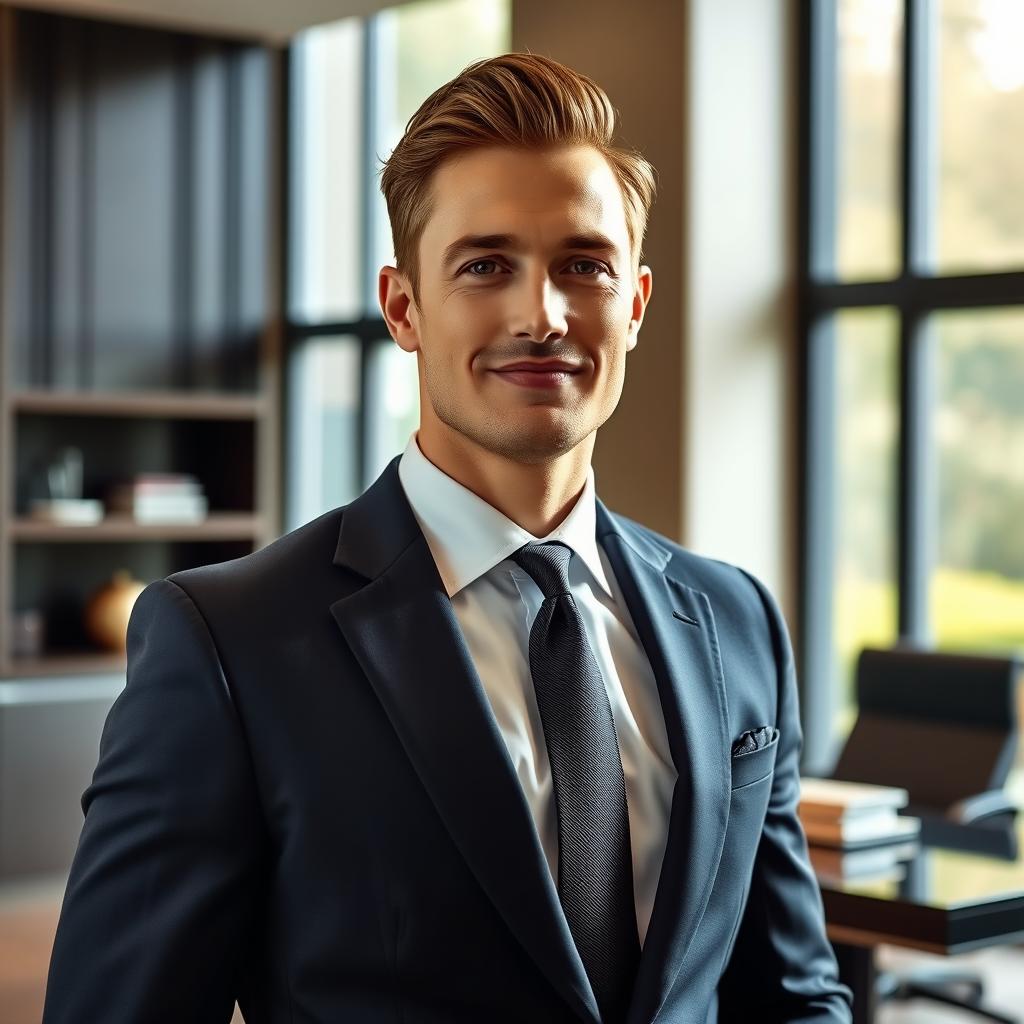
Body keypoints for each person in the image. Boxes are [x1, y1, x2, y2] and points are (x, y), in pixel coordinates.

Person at [43, 53, 852, 1024]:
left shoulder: (736, 620)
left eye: (582, 265)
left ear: (633, 304)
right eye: (485, 265)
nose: (541, 313)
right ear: (402, 307)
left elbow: (794, 996)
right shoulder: (227, 644)